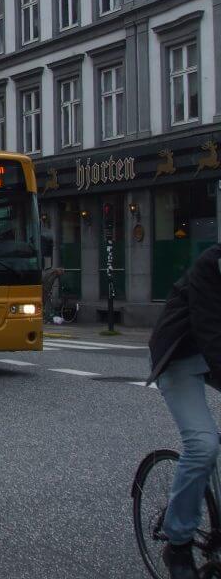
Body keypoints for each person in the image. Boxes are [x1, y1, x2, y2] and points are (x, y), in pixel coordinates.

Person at [147, 242, 221, 579]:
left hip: (213, 354)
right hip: (181, 357)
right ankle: (178, 542)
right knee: (203, 445)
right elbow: (210, 332)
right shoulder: (211, 266)